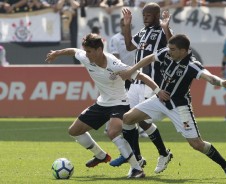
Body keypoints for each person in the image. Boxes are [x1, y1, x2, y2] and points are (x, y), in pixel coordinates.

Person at [119, 34, 226, 180]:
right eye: (169, 48)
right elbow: (150, 58)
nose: (169, 51)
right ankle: (136, 159)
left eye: (173, 49)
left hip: (179, 107)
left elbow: (210, 77)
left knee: (196, 144)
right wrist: (132, 70)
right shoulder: (167, 53)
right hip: (159, 100)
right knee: (127, 118)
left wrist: (222, 83)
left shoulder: (192, 65)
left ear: (184, 50)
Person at [45, 33, 162, 178]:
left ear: (99, 50)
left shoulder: (114, 64)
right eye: (86, 51)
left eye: (89, 51)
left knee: (112, 132)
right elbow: (74, 51)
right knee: (74, 131)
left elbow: (142, 76)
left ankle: (136, 169)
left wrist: (158, 91)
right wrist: (57, 53)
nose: (86, 55)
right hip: (102, 103)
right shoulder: (86, 57)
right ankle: (100, 155)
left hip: (120, 103)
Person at [109, 3, 173, 174]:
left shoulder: (161, 31)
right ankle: (137, 159)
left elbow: (172, 45)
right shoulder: (143, 33)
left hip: (151, 82)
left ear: (156, 16)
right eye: (143, 15)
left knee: (140, 119)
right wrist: (128, 24)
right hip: (136, 82)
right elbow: (130, 45)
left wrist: (167, 27)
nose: (145, 18)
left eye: (148, 16)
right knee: (127, 118)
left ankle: (162, 153)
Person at [109, 18, 148, 138]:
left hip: (135, 74)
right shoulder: (115, 39)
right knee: (116, 102)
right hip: (122, 74)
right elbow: (115, 58)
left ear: (130, 25)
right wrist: (120, 72)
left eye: (126, 25)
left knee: (136, 104)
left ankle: (140, 129)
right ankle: (109, 128)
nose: (124, 26)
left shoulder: (136, 39)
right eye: (122, 24)